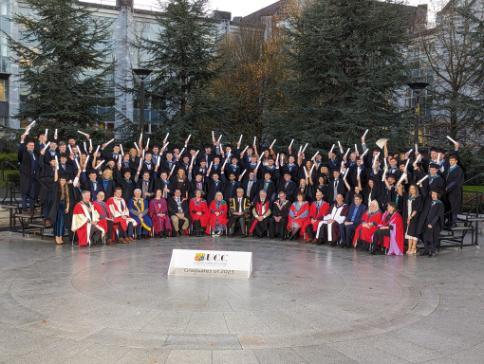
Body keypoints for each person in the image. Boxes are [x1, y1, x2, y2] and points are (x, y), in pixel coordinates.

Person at [47, 169, 70, 245]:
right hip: (57, 206)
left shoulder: (66, 188)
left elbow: (67, 199)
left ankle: (60, 236)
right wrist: (56, 169)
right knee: (58, 222)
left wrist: (67, 207)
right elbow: (55, 179)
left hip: (63, 206)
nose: (62, 181)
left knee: (62, 222)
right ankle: (57, 236)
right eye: (61, 180)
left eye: (64, 180)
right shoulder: (57, 187)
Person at [422, 190, 445, 257]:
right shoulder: (431, 202)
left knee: (433, 237)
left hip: (435, 224)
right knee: (426, 237)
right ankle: (426, 250)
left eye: (434, 194)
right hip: (427, 222)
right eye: (432, 194)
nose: (433, 195)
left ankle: (433, 251)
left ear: (438, 195)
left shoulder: (440, 203)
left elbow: (438, 215)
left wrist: (432, 223)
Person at [445, 154, 464, 227]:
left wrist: (447, 188)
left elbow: (456, 182)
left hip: (454, 192)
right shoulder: (449, 168)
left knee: (454, 207)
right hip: (448, 192)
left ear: (456, 161)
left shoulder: (458, 169)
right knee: (448, 206)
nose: (451, 162)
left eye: (452, 160)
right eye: (450, 160)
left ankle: (453, 223)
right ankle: (448, 222)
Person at [404, 185, 423, 255]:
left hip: (415, 217)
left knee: (414, 233)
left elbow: (417, 209)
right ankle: (409, 248)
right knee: (409, 233)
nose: (411, 190)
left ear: (416, 190)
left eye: (413, 188)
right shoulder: (408, 197)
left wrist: (411, 217)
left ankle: (413, 248)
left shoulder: (418, 198)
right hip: (409, 216)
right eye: (410, 188)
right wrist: (407, 217)